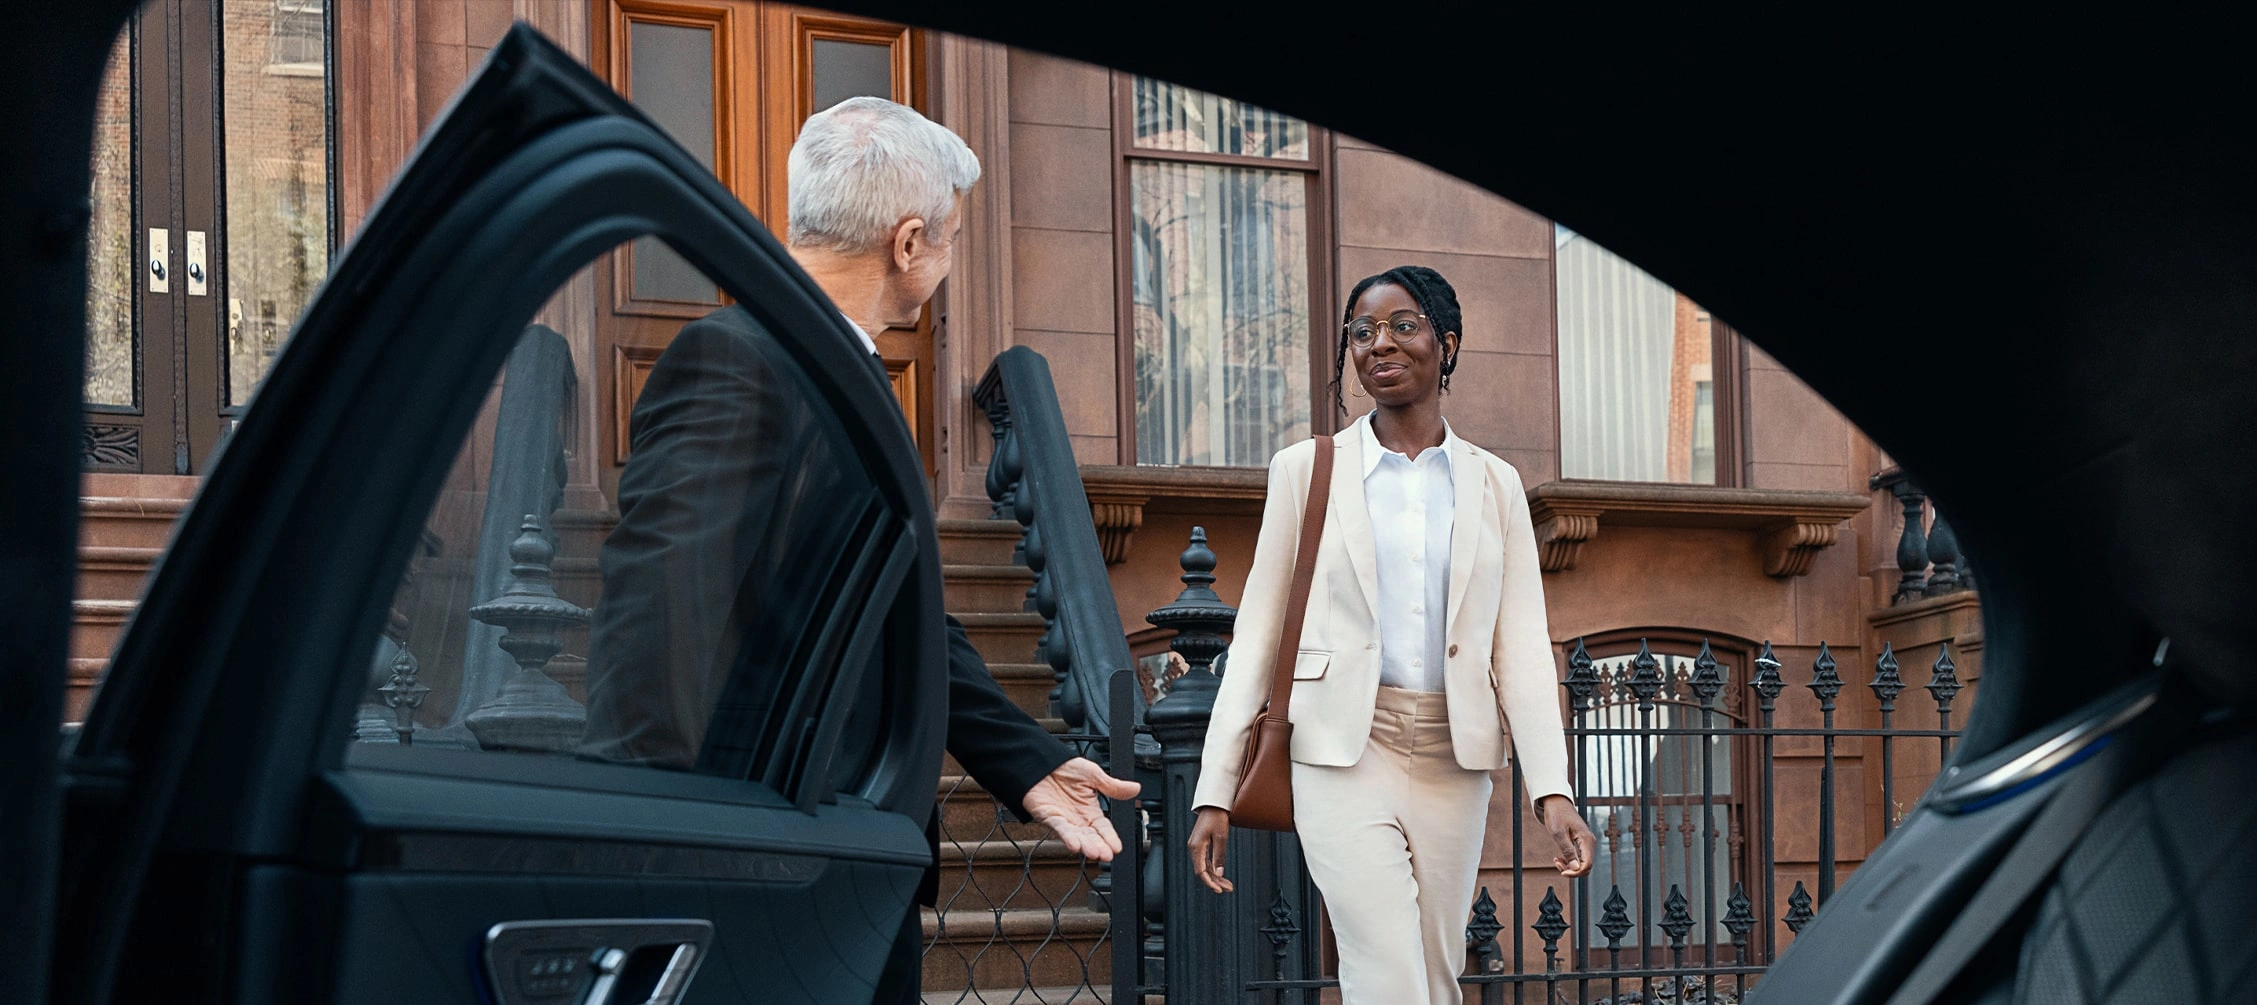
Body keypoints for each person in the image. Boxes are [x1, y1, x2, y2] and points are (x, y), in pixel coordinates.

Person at [579, 95, 1139, 1003]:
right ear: (908, 242)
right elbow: (651, 624)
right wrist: (665, 864)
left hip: (841, 866)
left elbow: (897, 609)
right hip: (767, 873)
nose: (950, 261)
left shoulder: (841, 368)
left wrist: (1025, 759)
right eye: (952, 237)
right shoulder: (737, 359)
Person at [1183, 265, 1599, 1005]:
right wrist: (1214, 787)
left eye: (1402, 325)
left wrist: (1553, 789)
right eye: (1363, 331)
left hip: (1454, 753)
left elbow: (1523, 648)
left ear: (1447, 343)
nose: (1381, 343)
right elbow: (1258, 635)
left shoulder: (1494, 482)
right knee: (1387, 970)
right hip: (1342, 746)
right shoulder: (1306, 470)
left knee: (1436, 974)